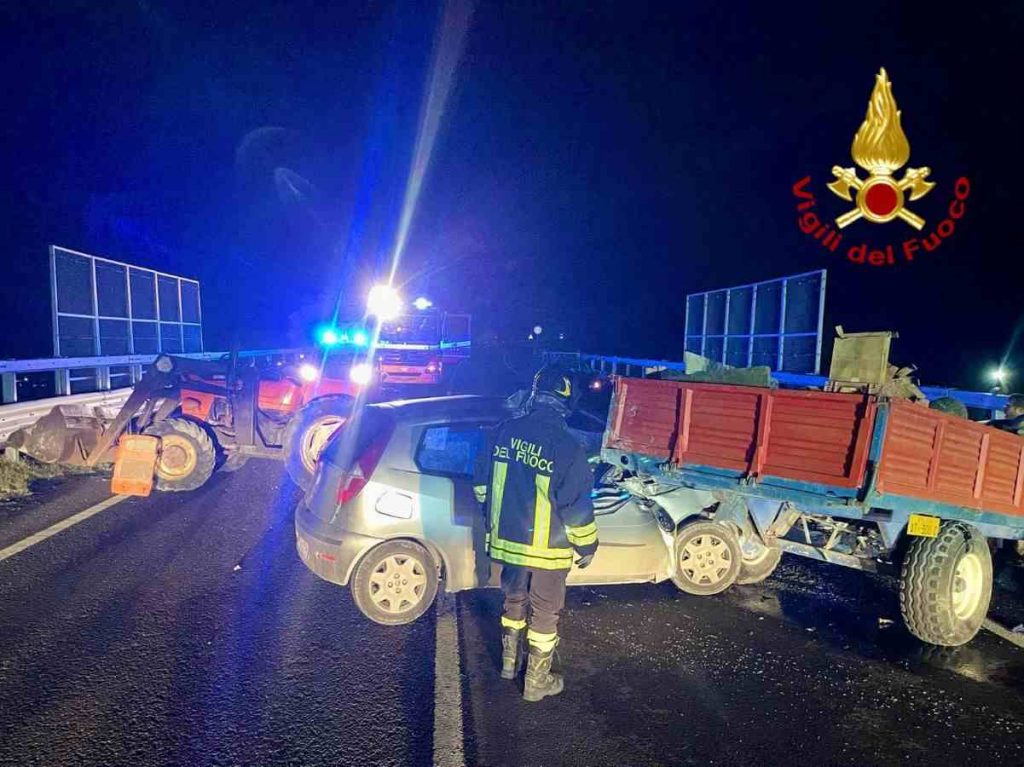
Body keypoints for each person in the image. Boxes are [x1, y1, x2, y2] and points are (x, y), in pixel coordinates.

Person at [473, 364, 598, 702]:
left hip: (507, 543)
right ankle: (535, 684)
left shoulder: (503, 431)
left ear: (536, 393)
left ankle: (509, 665)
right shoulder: (567, 447)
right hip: (547, 552)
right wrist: (587, 547)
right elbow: (576, 509)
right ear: (567, 400)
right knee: (544, 613)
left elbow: (481, 483)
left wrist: (490, 517)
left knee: (514, 599)